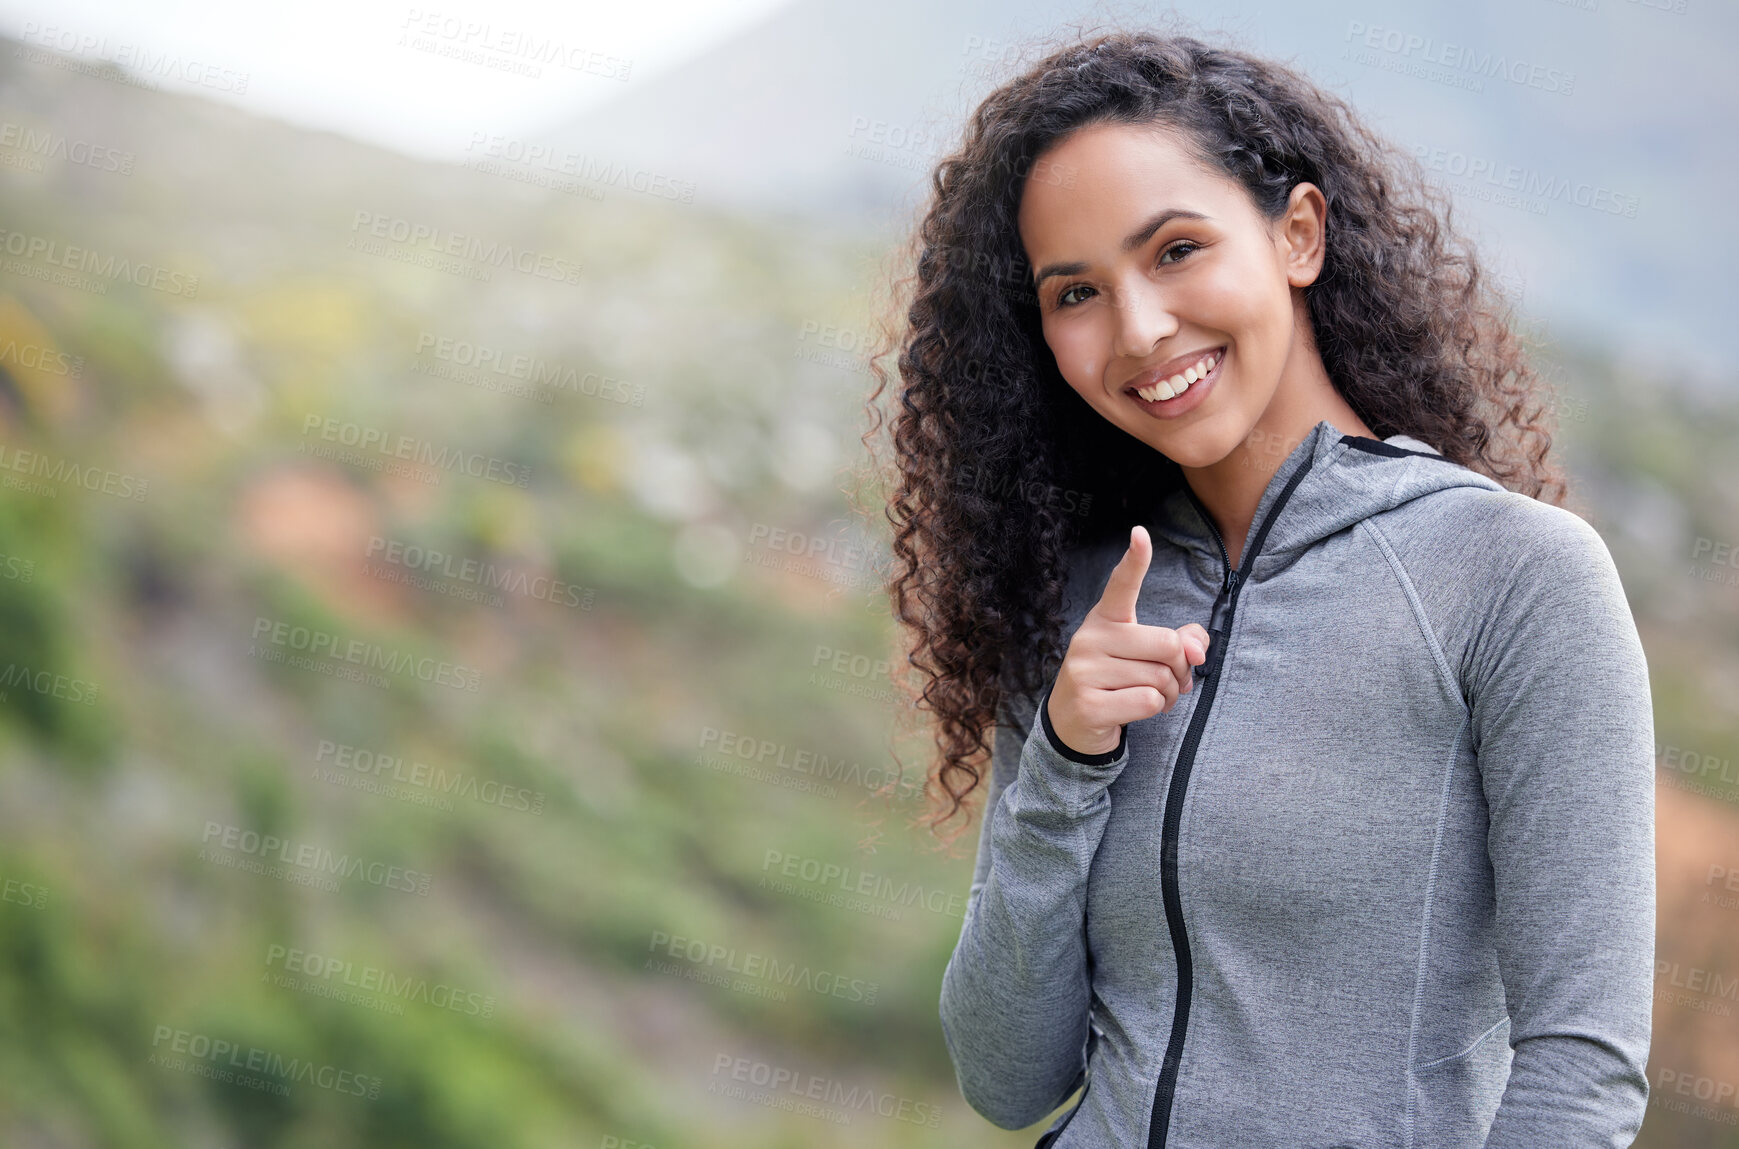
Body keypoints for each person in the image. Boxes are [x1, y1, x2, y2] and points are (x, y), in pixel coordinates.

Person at [862, 28, 1655, 1149]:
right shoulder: (1084, 604)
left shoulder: (1511, 576)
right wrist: (1064, 756)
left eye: (1176, 250)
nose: (1137, 329)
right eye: (1075, 290)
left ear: (1296, 234)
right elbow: (1005, 1076)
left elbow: (1582, 1071)